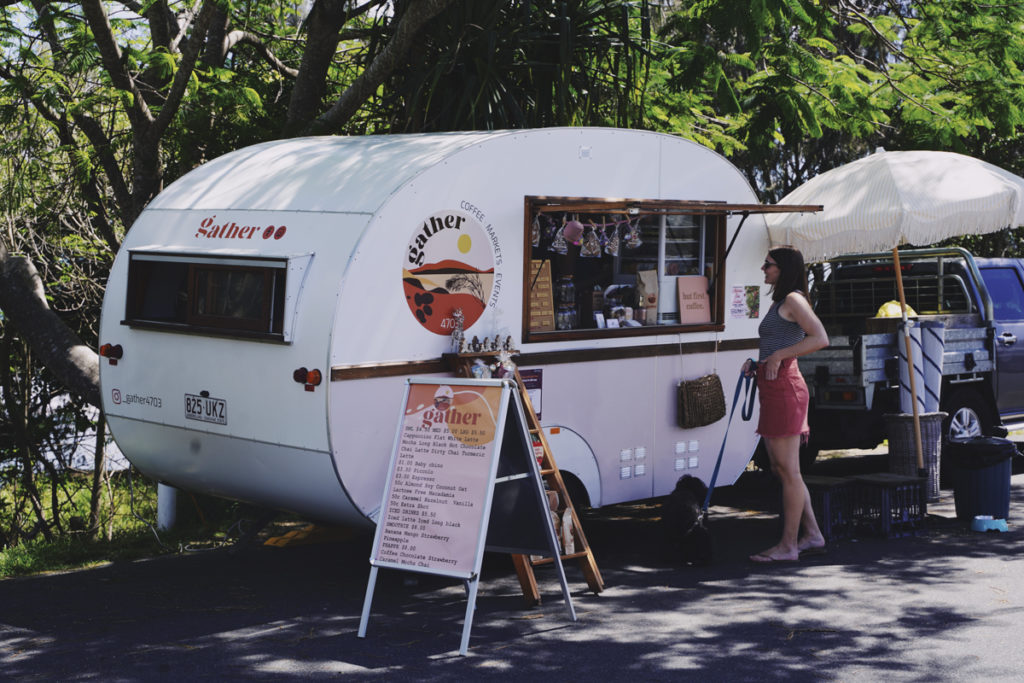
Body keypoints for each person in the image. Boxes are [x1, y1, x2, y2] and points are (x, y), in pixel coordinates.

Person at [745, 246, 829, 564]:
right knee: (783, 470)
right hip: (773, 386)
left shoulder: (793, 299)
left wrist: (778, 356)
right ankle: (812, 535)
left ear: (783, 268)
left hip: (785, 388)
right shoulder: (782, 301)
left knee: (789, 471)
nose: (763, 269)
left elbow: (820, 337)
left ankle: (789, 546)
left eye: (768, 264)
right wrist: (758, 361)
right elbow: (778, 343)